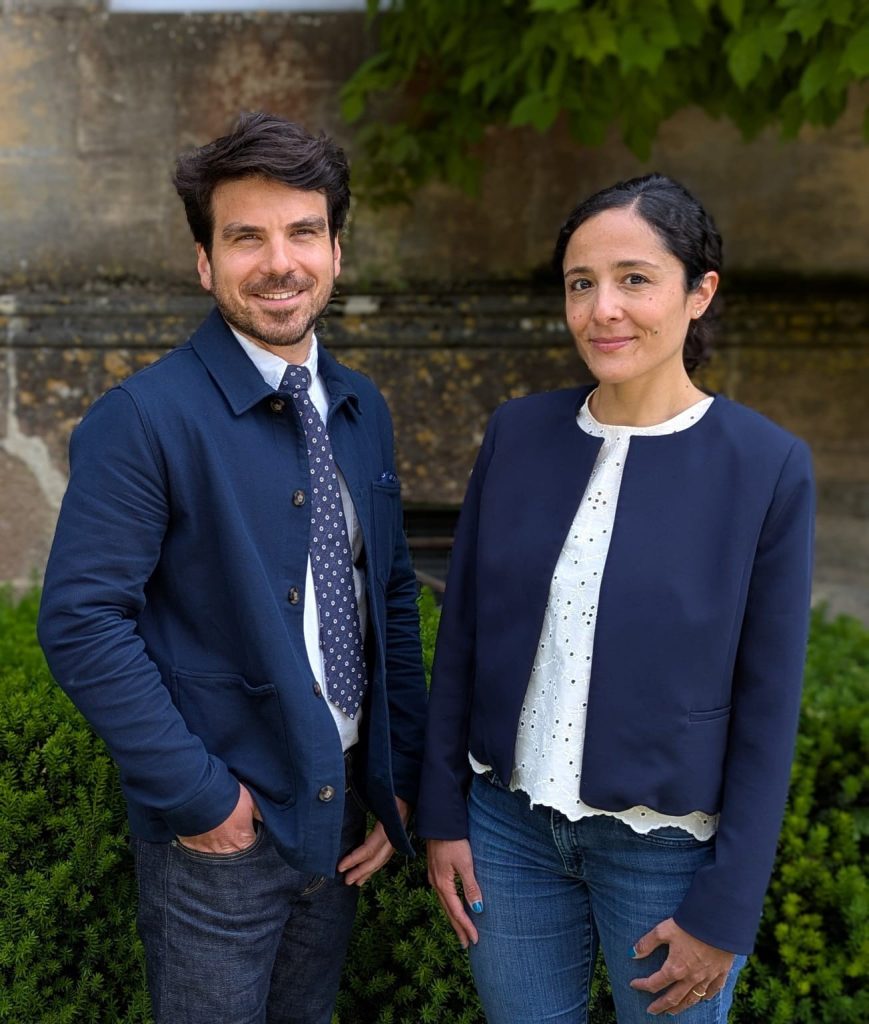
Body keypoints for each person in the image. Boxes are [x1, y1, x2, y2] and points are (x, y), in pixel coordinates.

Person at [37, 112, 427, 1024]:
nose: (279, 262)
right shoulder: (144, 418)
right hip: (221, 831)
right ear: (205, 263)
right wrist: (201, 798)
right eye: (246, 237)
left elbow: (389, 596)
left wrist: (395, 775)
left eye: (303, 232)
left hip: (340, 810)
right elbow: (82, 622)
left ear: (335, 251)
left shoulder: (360, 407)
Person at [416, 174, 814, 1023]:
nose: (602, 310)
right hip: (506, 835)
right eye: (580, 283)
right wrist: (444, 815)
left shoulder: (765, 466)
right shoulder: (516, 433)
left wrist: (726, 908)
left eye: (635, 278)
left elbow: (769, 703)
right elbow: (463, 639)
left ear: (699, 292)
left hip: (665, 853)